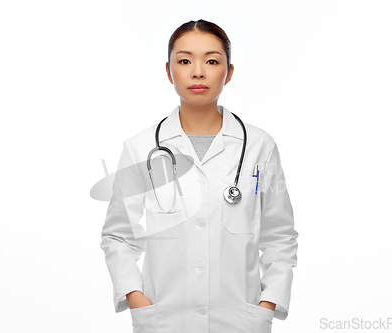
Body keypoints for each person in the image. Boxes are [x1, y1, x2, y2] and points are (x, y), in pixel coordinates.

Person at [100, 19, 299, 333]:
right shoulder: (140, 148)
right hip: (164, 319)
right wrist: (135, 297)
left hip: (239, 320)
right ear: (169, 71)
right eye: (184, 60)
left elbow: (279, 236)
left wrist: (267, 304)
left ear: (228, 72)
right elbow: (118, 236)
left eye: (211, 60)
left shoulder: (259, 146)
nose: (197, 71)